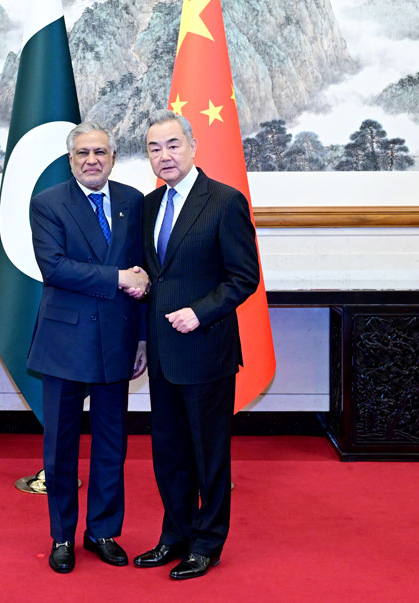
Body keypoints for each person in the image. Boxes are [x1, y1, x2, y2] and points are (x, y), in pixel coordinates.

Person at [133, 110, 260, 580]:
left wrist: (200, 312)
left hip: (206, 349)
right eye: (154, 148)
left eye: (172, 145)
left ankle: (207, 543)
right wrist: (143, 336)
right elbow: (153, 278)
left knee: (209, 455)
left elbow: (244, 277)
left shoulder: (225, 201)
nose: (164, 155)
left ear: (192, 146)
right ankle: (175, 535)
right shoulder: (148, 206)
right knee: (168, 452)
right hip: (162, 352)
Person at [27, 120, 149, 574]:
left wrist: (141, 337)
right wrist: (117, 278)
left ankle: (102, 532)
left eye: (100, 152)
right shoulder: (47, 203)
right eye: (83, 153)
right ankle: (62, 535)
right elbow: (55, 267)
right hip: (65, 342)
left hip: (118, 339)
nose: (92, 160)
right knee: (61, 445)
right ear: (70, 159)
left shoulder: (134, 202)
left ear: (113, 157)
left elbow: (144, 272)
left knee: (112, 443)